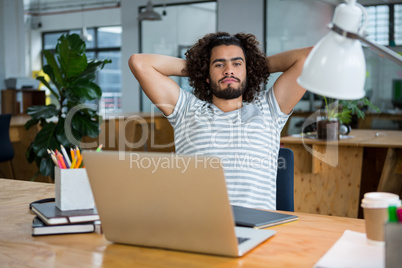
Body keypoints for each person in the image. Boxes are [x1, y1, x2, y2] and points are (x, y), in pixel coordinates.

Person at [129, 32, 312, 210]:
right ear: (206, 75)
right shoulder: (186, 110)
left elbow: (310, 56)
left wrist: (253, 66)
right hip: (199, 229)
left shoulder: (269, 109)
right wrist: (199, 68)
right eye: (219, 64)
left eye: (237, 63)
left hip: (258, 229)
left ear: (248, 70)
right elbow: (140, 63)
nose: (229, 70)